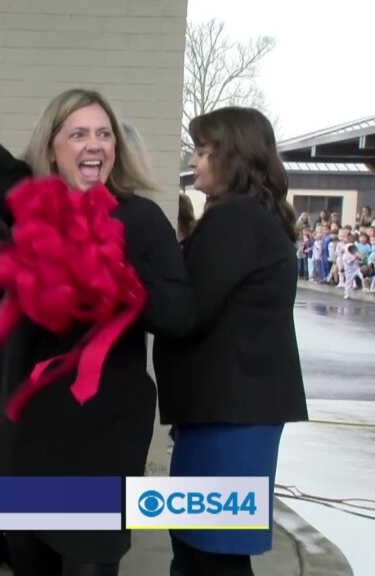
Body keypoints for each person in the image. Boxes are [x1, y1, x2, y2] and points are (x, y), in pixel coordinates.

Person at [0, 2, 195, 574]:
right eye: (78, 133)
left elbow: (181, 314)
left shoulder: (142, 220)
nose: (94, 144)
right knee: (29, 563)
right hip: (28, 431)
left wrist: (121, 286)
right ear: (53, 145)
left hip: (103, 434)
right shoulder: (32, 206)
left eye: (103, 133)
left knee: (88, 565)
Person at [153, 107, 308, 576]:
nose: (193, 161)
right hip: (237, 412)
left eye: (202, 151)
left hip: (230, 417)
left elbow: (187, 312)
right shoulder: (256, 218)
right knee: (200, 549)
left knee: (210, 554)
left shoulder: (235, 221)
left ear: (234, 157)